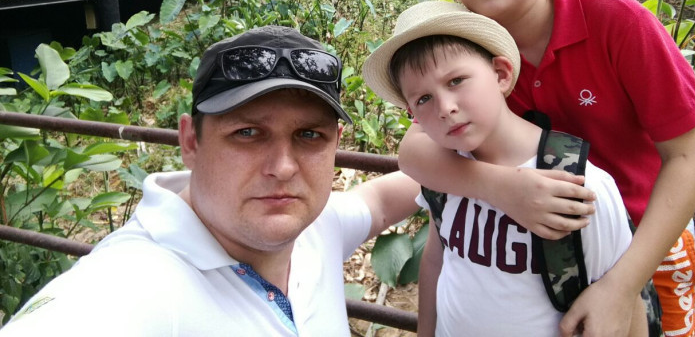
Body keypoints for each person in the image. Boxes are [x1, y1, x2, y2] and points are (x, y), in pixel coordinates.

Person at [398, 0, 695, 336]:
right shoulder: (462, 49)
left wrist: (621, 285)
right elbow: (413, 149)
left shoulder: (616, 22)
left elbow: (689, 157)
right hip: (541, 236)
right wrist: (505, 189)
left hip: (647, 236)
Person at [1, 25, 420, 336]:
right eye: (247, 133)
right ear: (190, 141)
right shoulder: (132, 285)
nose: (283, 167)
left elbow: (382, 201)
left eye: (309, 135)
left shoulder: (316, 226)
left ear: (336, 144)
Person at [362, 0, 647, 336]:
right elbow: (437, 259)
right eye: (423, 99)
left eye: (456, 81)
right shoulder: (443, 173)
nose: (445, 107)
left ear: (501, 74)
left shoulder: (577, 183)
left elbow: (625, 303)